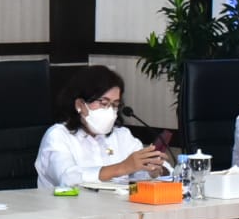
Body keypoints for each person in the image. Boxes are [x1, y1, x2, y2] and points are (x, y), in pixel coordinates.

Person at [35, 65, 170, 189]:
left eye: (115, 105)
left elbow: (139, 174)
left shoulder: (121, 135)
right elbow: (68, 178)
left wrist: (155, 170)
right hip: (67, 212)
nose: (110, 111)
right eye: (103, 103)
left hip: (117, 210)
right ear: (80, 105)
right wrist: (122, 167)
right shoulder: (58, 136)